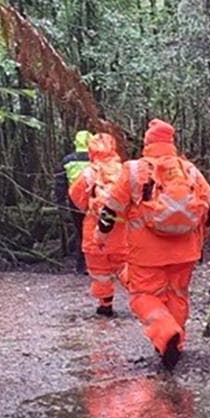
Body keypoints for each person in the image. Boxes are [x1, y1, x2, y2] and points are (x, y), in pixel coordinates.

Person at [102, 119, 210, 370]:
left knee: (144, 295)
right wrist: (202, 236)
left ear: (147, 143)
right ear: (171, 143)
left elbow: (111, 208)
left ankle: (166, 334)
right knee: (177, 294)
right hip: (186, 250)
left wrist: (102, 236)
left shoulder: (134, 170)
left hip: (147, 255)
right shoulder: (189, 170)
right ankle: (177, 341)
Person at [68, 133, 127, 316]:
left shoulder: (88, 173)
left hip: (94, 232)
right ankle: (144, 298)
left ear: (91, 151)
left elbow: (76, 199)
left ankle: (105, 305)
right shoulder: (125, 171)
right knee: (126, 268)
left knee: (99, 272)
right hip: (124, 233)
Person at [63, 130, 93, 273]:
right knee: (94, 231)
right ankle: (96, 265)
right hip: (94, 200)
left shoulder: (69, 159)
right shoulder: (96, 158)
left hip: (74, 200)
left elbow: (60, 182)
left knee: (80, 231)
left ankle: (81, 265)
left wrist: (60, 202)